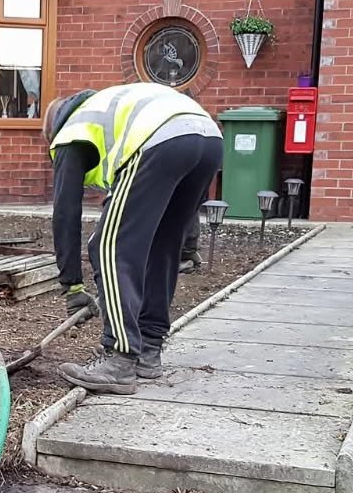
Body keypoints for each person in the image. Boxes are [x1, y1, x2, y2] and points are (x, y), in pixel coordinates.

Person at [45, 82, 224, 394]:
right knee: (161, 245)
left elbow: (65, 214)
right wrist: (188, 243)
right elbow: (172, 224)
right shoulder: (113, 111)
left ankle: (119, 358)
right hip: (208, 138)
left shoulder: (72, 132)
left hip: (161, 141)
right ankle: (148, 351)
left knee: (108, 246)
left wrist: (71, 287)